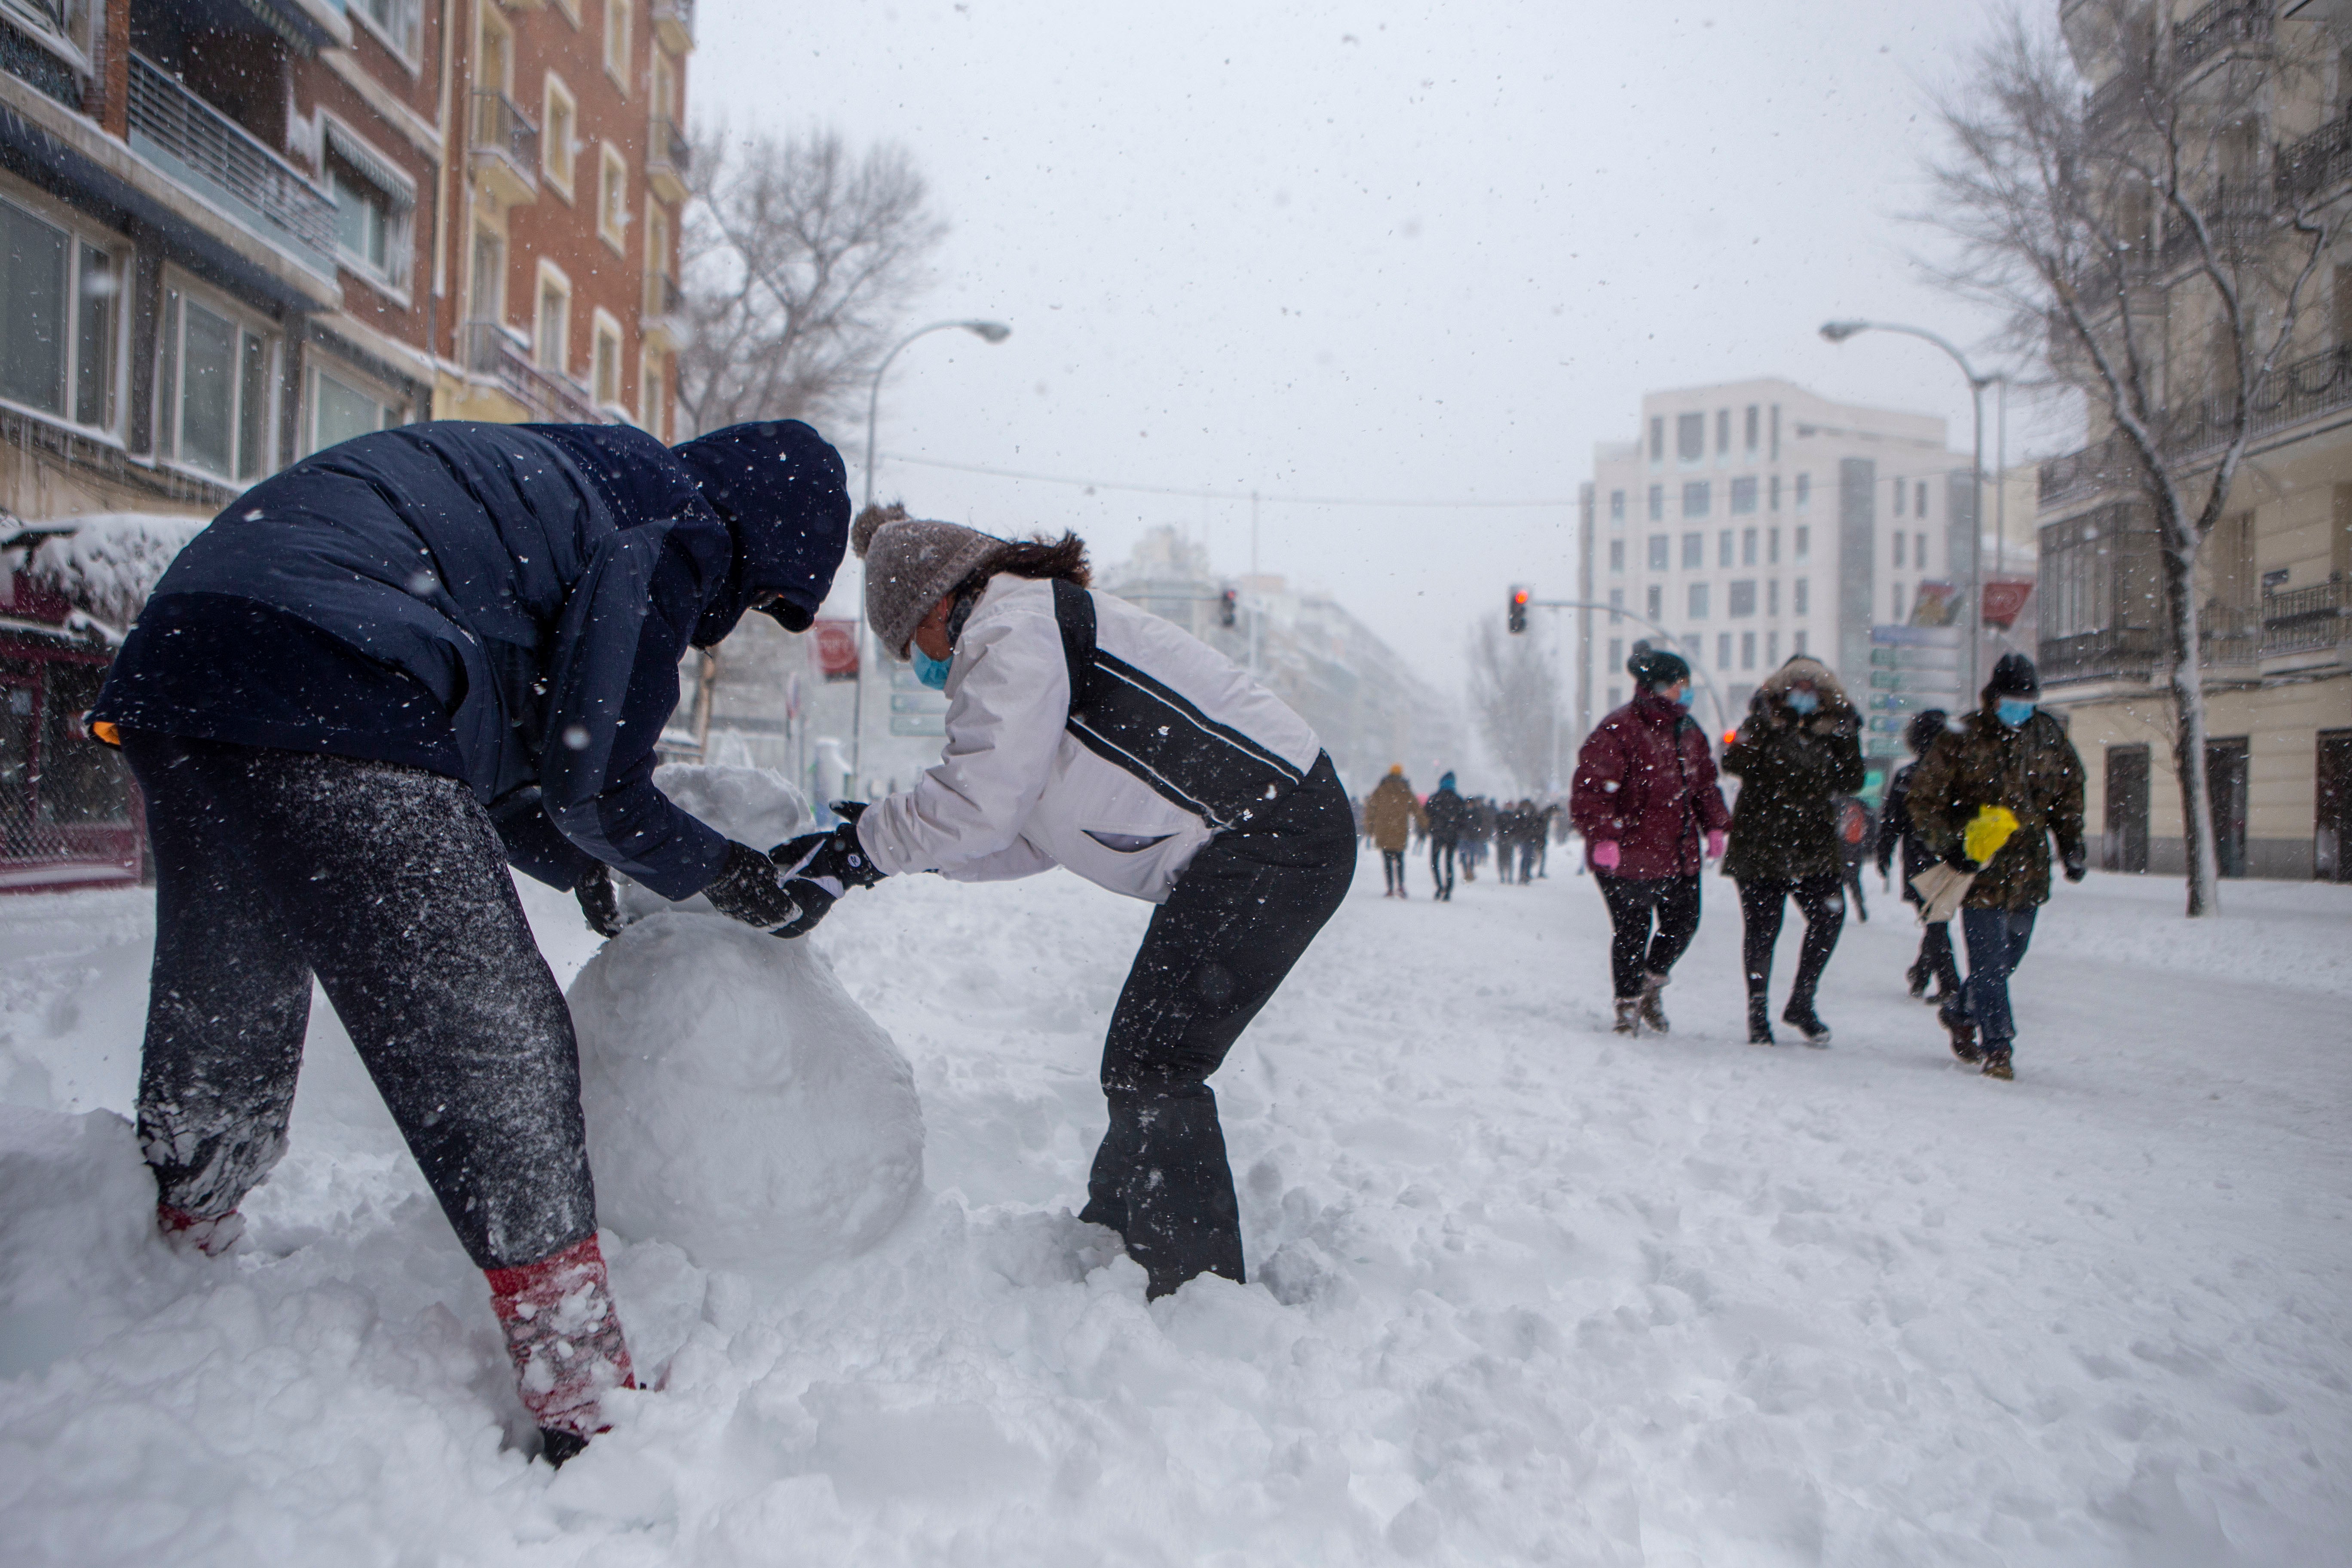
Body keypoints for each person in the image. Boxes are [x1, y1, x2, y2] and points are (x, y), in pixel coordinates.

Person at [86, 418, 853, 1463]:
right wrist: (724, 874)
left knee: (235, 980)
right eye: (764, 596)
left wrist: (588, 866)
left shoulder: (578, 490)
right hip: (332, 662)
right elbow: (593, 776)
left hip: (192, 652)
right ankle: (584, 1391)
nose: (735, 618)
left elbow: (490, 757)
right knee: (493, 1031)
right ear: (760, 534)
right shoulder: (673, 524)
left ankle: (176, 1239)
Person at [768, 504, 1354, 1297]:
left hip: (1272, 836)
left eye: (913, 648)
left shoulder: (1012, 633)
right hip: (1260, 841)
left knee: (1154, 1059)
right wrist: (893, 853)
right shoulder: (1026, 635)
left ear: (937, 606)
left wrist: (858, 849)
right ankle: (1119, 1234)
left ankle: (1192, 1287)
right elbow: (1025, 829)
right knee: (1145, 1052)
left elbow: (981, 802)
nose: (921, 667)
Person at [1906, 653, 2087, 1081]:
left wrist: (2072, 845)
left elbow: (2068, 796)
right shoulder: (1963, 737)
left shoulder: (2048, 736)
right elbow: (1923, 798)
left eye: (2029, 700)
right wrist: (1951, 845)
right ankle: (1998, 1047)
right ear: (1994, 697)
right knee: (1988, 962)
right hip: (1979, 867)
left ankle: (1959, 1010)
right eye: (2013, 700)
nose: (2021, 708)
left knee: (2010, 956)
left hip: (2029, 867)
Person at [1569, 646, 1730, 1035]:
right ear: (1655, 687)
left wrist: (1715, 825)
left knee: (1684, 923)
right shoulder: (1618, 730)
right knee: (1633, 929)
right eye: (1679, 686)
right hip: (1626, 854)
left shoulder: (1690, 733)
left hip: (1677, 852)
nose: (1685, 693)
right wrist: (1604, 836)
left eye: (1687, 686)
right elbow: (1592, 790)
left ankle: (1650, 984)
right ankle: (1627, 1005)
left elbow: (1705, 786)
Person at [1721, 655, 1866, 1046]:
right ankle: (1757, 1012)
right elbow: (1733, 761)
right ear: (1783, 689)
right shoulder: (1764, 720)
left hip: (1813, 846)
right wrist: (1762, 726)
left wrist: (1849, 734)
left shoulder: (1832, 728)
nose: (1804, 695)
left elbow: (1853, 778)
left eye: (1812, 688)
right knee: (1763, 931)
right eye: (1797, 687)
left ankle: (1802, 1001)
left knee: (1830, 916)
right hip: (1760, 845)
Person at [1877, 709, 1962, 1007]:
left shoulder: (1908, 776)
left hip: (1920, 860)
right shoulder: (1958, 775)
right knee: (1936, 922)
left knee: (1934, 921)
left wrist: (1884, 853)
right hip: (1952, 860)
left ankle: (1939, 979)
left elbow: (1892, 822)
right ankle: (1934, 977)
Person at [1366, 764, 1426, 897]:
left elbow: (1371, 808)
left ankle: (1390, 888)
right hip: (1400, 830)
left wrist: (1370, 828)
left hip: (1384, 831)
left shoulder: (1381, 790)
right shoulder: (1405, 791)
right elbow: (1417, 809)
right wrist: (1426, 825)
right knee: (1400, 860)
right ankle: (1401, 886)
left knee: (1387, 860)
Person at [1425, 771, 1470, 899]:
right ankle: (1449, 889)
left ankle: (1440, 886)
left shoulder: (1435, 798)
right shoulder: (1458, 800)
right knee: (1449, 862)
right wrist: (1457, 829)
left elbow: (1427, 814)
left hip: (1438, 834)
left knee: (1435, 862)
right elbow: (1464, 819)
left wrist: (1432, 827)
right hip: (1452, 835)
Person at [1835, 793, 1875, 924]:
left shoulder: (1839, 804)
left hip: (1839, 847)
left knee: (1836, 880)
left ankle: (1835, 909)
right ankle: (1859, 903)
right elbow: (1871, 827)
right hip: (1855, 848)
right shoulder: (1862, 806)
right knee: (1854, 880)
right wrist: (1869, 847)